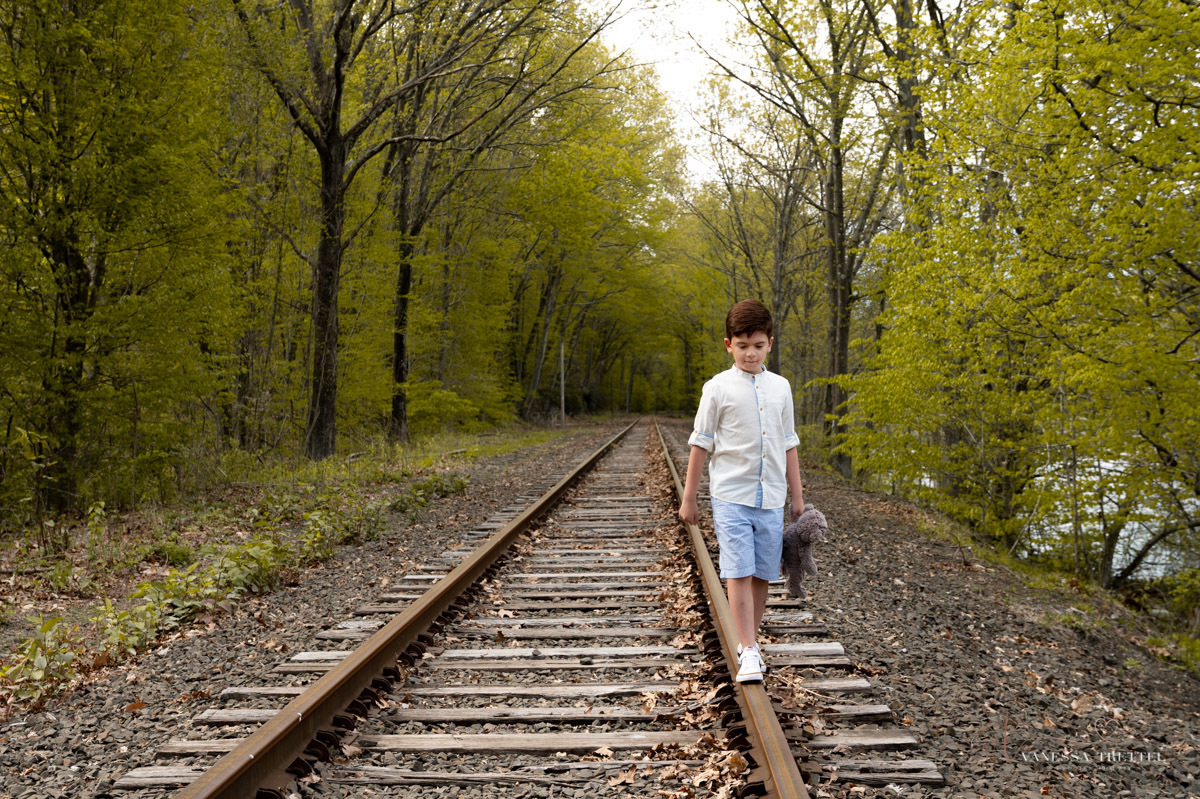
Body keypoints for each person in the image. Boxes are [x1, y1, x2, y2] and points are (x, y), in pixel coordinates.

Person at [679, 299, 804, 683]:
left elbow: (788, 442)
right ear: (728, 344)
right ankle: (748, 648)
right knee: (738, 570)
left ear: (770, 344)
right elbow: (701, 443)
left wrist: (797, 496)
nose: (751, 353)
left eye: (759, 345)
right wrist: (689, 497)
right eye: (743, 345)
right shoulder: (717, 388)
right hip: (731, 495)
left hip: (770, 497)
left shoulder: (780, 388)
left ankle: (749, 639)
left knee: (764, 572)